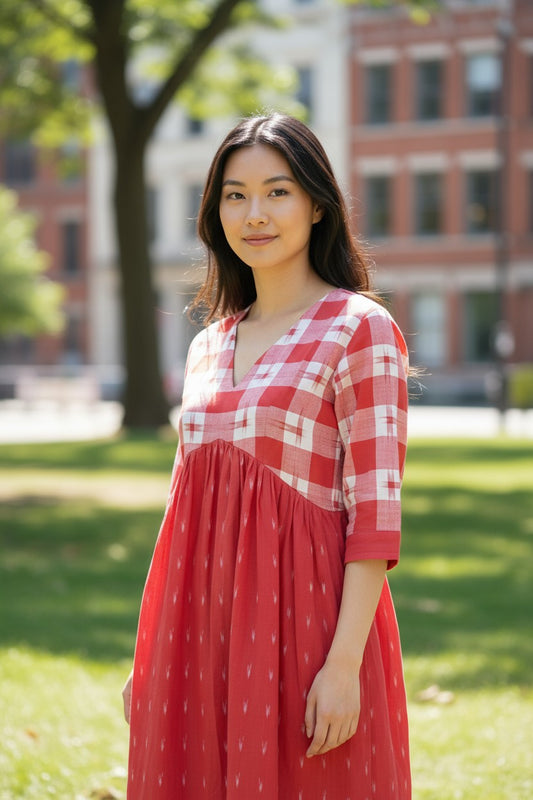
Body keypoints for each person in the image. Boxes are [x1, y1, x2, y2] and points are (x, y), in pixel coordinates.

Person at [123, 113, 411, 799]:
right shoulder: (206, 346)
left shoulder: (358, 327)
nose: (254, 213)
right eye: (234, 194)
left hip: (302, 622)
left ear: (316, 205)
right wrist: (149, 652)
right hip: (194, 621)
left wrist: (342, 664)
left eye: (277, 192)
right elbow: (180, 508)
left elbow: (374, 512)